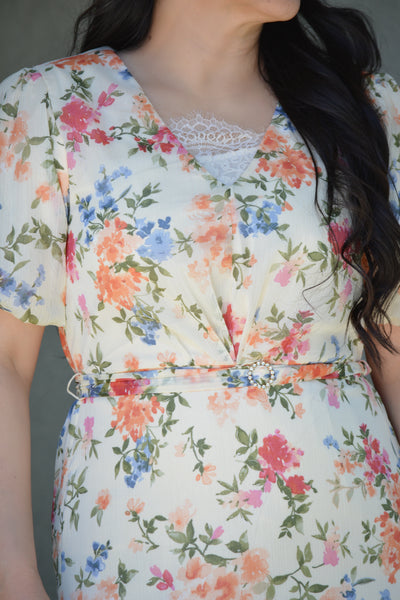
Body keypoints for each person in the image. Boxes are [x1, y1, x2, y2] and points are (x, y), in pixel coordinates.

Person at [1, 0, 400, 598]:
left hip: (355, 540)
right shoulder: (47, 108)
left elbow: (394, 341)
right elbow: (5, 359)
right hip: (139, 546)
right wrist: (13, 575)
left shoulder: (370, 106)